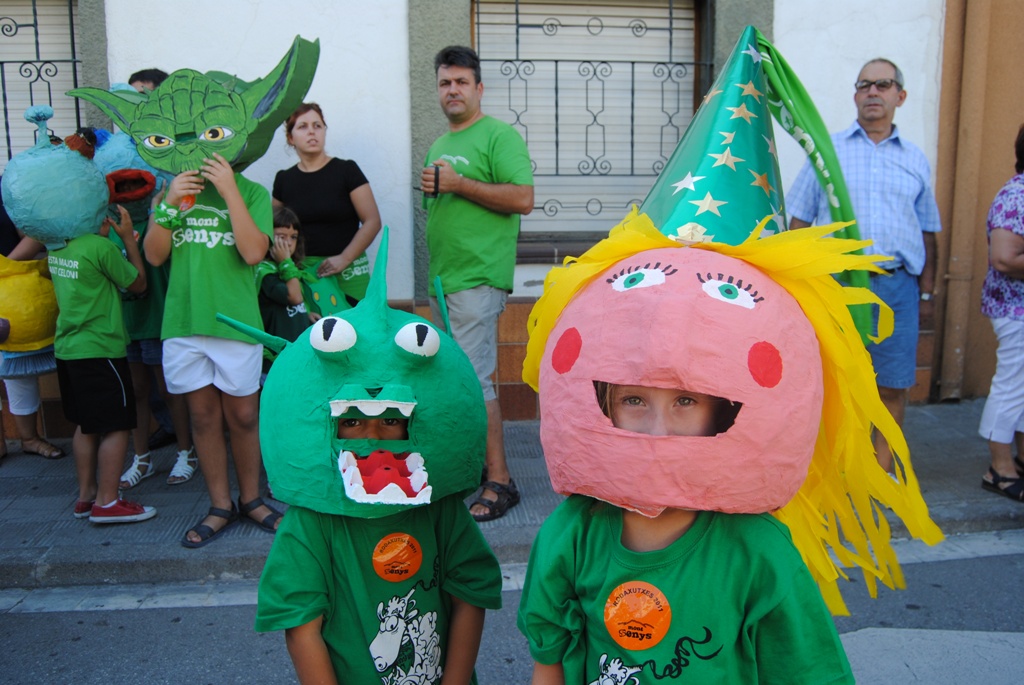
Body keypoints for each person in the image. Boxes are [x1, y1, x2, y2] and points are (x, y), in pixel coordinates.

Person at [253, 229, 502, 683]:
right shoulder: (312, 523)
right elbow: (300, 626)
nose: (374, 439)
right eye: (352, 423)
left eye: (391, 422)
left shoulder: (441, 510)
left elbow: (471, 594)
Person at [787, 57, 942, 474]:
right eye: (865, 85)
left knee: (891, 384)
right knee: (831, 382)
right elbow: (799, 219)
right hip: (837, 286)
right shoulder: (827, 151)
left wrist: (927, 292)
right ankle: (828, 472)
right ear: (855, 95)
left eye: (883, 84)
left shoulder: (916, 159)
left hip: (897, 288)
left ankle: (879, 472)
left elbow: (928, 230)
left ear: (900, 96)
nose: (873, 92)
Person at [144, 152, 283, 547]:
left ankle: (252, 499)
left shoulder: (252, 192)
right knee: (202, 418)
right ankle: (220, 506)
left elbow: (254, 252)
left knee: (243, 414)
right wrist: (169, 201)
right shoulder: (172, 192)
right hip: (185, 323)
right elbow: (154, 255)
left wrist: (227, 189)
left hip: (235, 323)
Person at [421, 45, 534, 522]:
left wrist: (458, 184)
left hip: (477, 279)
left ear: (479, 88)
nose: (453, 90)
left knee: (475, 380)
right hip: (444, 283)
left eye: (462, 82)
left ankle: (501, 481)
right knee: (456, 380)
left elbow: (523, 198)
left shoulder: (499, 136)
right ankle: (471, 469)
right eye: (446, 82)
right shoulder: (437, 144)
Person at [52, 201, 154, 523]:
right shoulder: (99, 247)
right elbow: (137, 284)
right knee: (116, 424)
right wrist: (127, 241)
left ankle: (87, 496)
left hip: (68, 348)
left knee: (86, 424)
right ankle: (108, 502)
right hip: (101, 349)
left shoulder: (57, 247)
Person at [272, 103, 382, 314]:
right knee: (314, 339)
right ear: (290, 138)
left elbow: (372, 221)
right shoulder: (284, 180)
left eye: (318, 125)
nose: (312, 131)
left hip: (350, 272)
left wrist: (344, 259)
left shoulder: (346, 170)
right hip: (305, 274)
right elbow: (276, 227)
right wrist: (287, 265)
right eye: (303, 126)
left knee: (359, 333)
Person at [979, 123, 1024, 501]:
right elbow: (1005, 258)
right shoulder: (1016, 196)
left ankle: (1019, 459)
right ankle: (999, 468)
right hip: (1016, 309)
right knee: (1011, 386)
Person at [255, 205, 312, 380]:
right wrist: (286, 262)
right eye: (281, 237)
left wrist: (307, 314)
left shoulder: (292, 270)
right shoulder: (265, 273)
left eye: (293, 237)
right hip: (274, 362)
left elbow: (296, 304)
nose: (288, 243)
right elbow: (293, 297)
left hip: (297, 357)